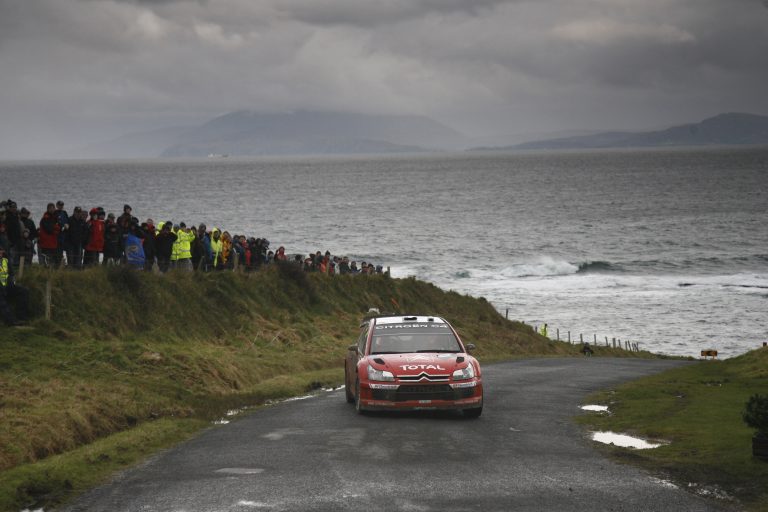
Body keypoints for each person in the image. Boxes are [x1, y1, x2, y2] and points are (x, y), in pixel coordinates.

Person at [0, 245, 30, 326]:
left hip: (7, 286)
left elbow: (11, 274)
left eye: (1, 251)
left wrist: (11, 283)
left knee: (24, 291)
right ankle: (11, 321)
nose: (1, 253)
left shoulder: (5, 261)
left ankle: (22, 317)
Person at [38, 203, 61, 267]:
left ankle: (52, 271)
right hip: (46, 243)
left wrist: (56, 228)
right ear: (48, 209)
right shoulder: (45, 218)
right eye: (50, 208)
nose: (52, 210)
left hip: (53, 242)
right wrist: (56, 228)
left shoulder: (55, 217)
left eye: (53, 208)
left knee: (53, 260)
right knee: (48, 260)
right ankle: (48, 271)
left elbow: (59, 227)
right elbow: (49, 230)